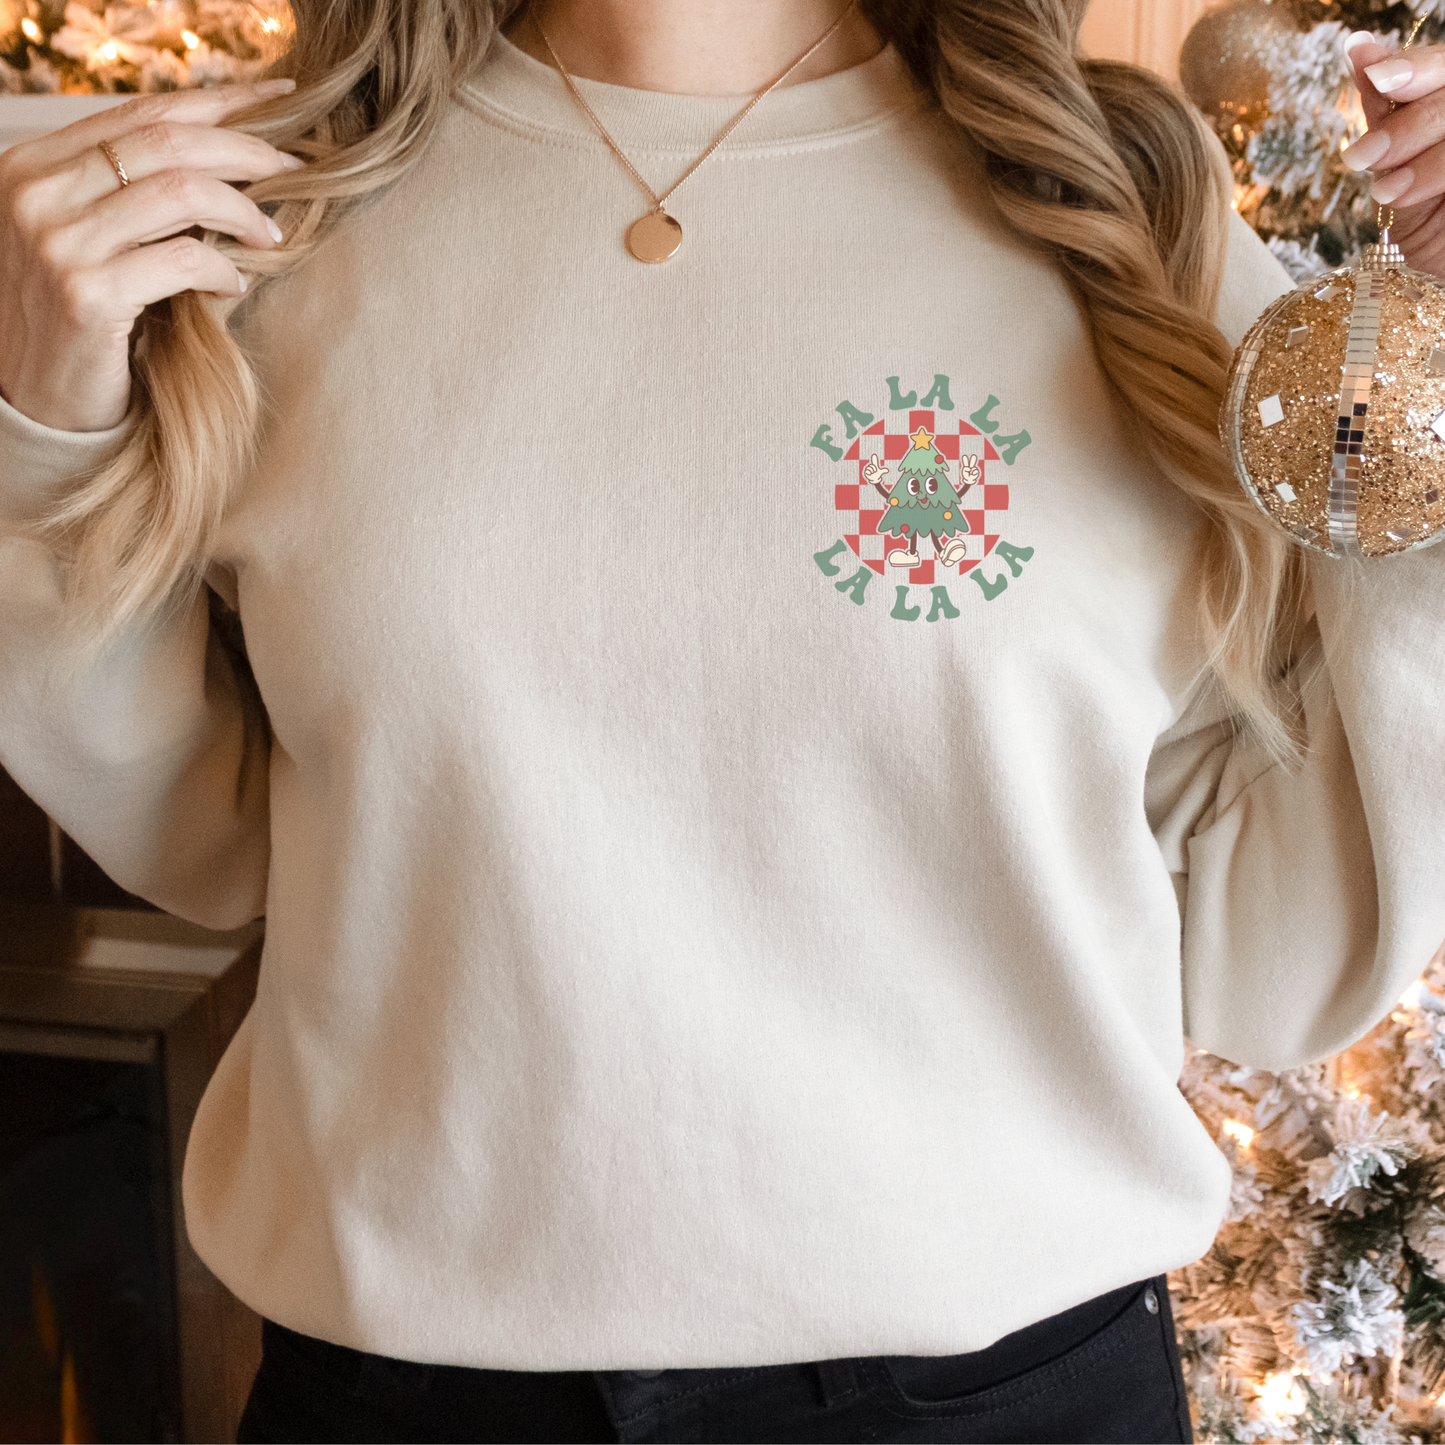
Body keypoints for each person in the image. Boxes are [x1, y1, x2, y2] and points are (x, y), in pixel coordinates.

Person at [1, 1, 1442, 1439]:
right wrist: (40, 429)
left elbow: (1267, 942)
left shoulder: (1127, 208)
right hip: (412, 1397)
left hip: (1010, 1398)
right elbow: (215, 836)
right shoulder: (261, 215)